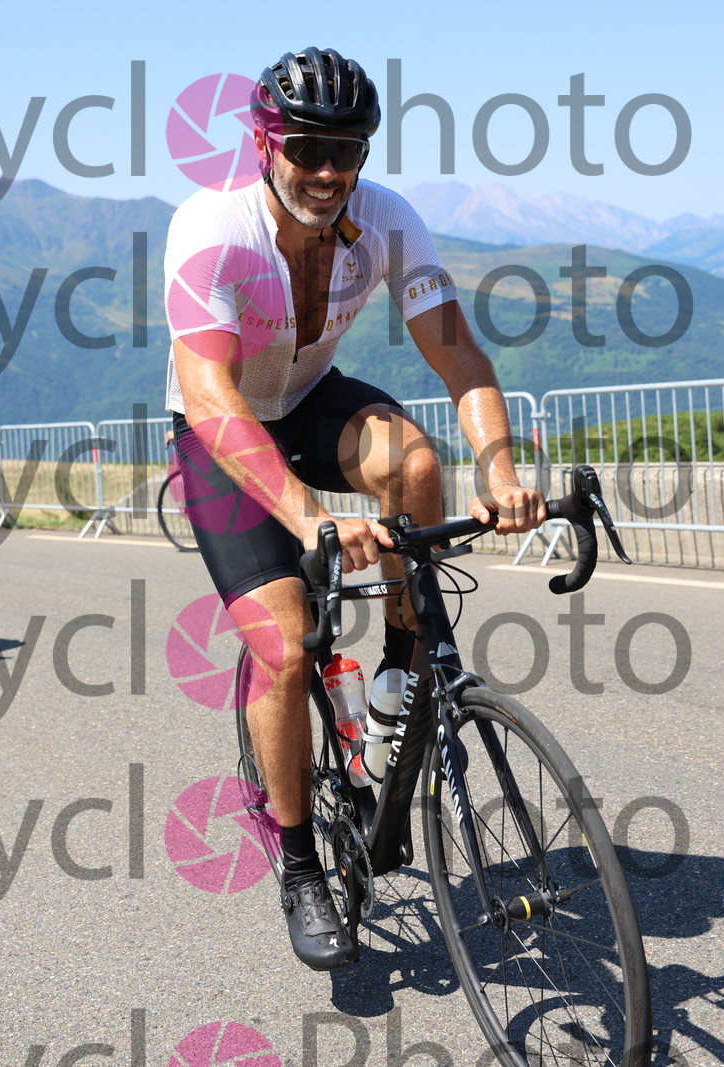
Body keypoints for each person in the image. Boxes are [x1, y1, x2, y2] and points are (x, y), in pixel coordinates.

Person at [164, 47, 545, 970]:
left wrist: (500, 468)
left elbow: (459, 355)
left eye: (349, 150)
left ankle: (394, 695)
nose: (330, 171)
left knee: (417, 464)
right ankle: (301, 866)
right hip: (223, 429)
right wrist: (308, 517)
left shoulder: (386, 220)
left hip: (310, 400)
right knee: (284, 645)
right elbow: (211, 394)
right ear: (265, 144)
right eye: (308, 148)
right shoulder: (213, 227)